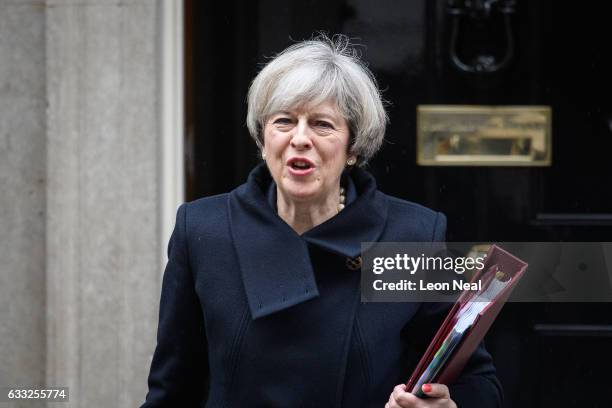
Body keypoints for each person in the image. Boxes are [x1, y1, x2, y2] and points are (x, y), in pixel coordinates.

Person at [142, 34, 502, 407]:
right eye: (284, 121)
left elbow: (477, 381)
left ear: (353, 148)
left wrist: (446, 404)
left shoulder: (411, 236)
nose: (300, 138)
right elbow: (172, 390)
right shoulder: (204, 229)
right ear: (263, 141)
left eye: (322, 124)